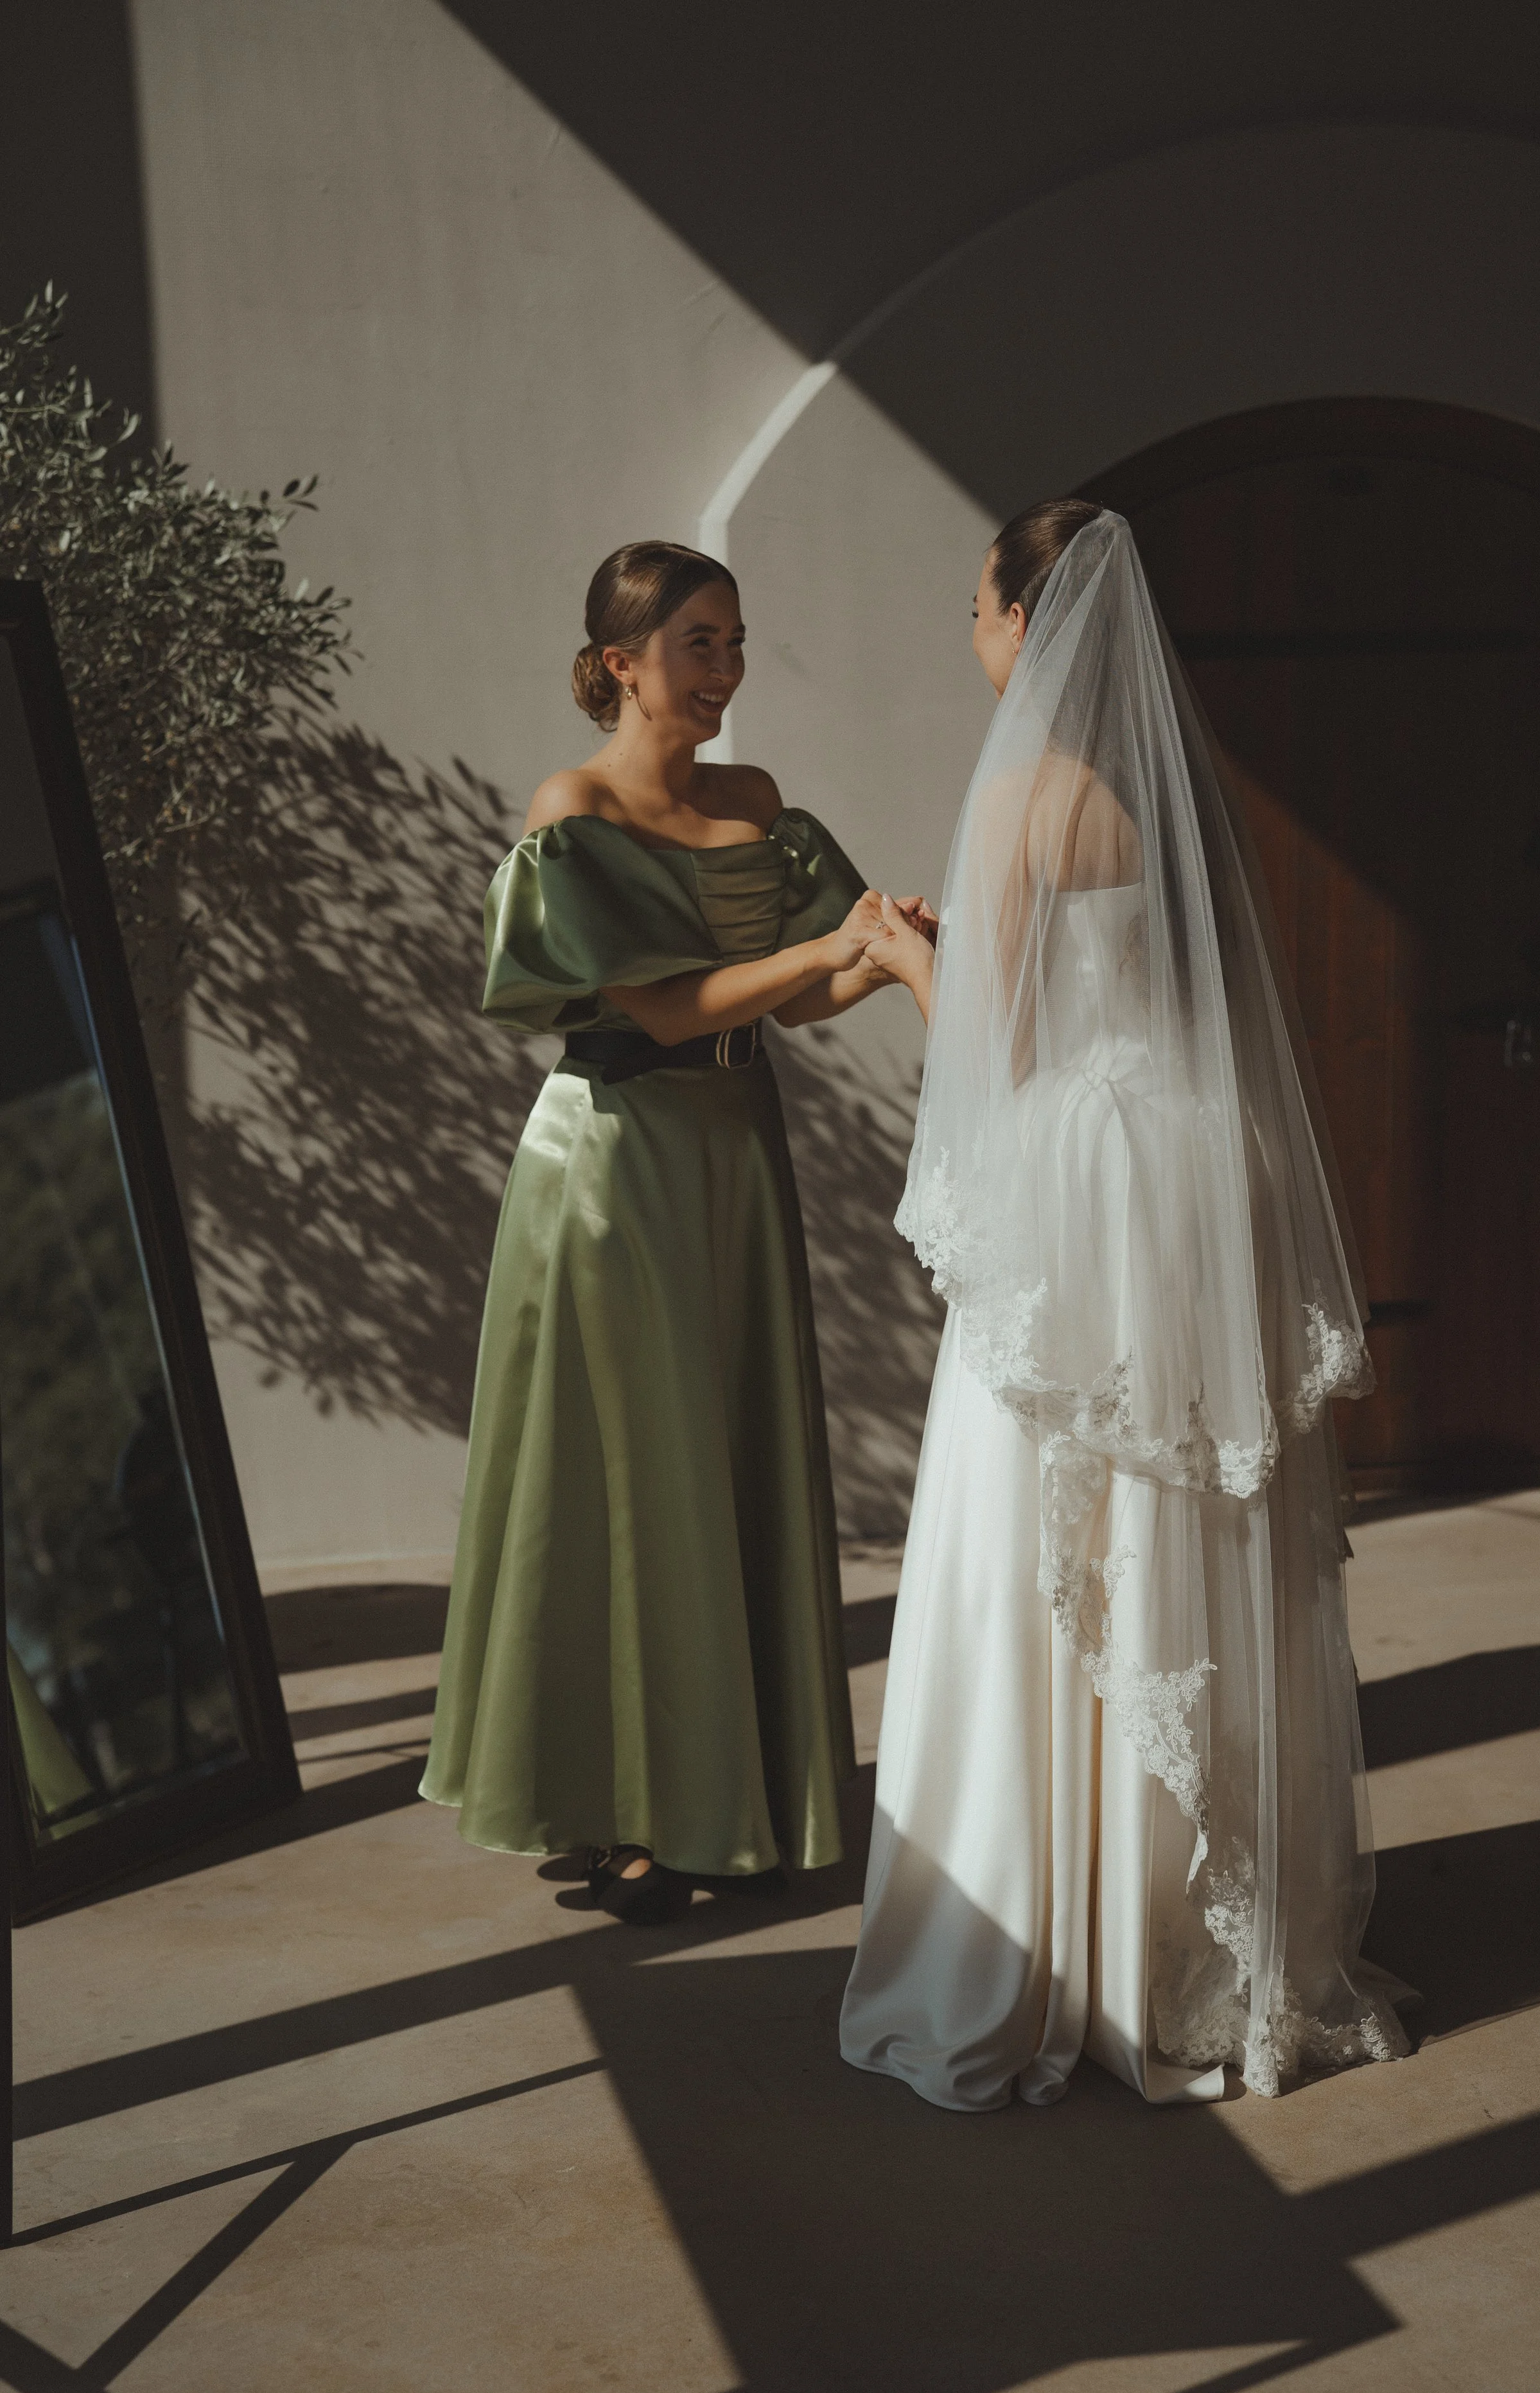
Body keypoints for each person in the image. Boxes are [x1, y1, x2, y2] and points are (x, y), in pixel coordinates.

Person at [839, 500, 1412, 2104]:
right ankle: (1203, 1916)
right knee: (1179, 1519)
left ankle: (1053, 1930)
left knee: (1048, 1518)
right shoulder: (1155, 789)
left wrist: (900, 961)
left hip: (1080, 1187)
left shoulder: (1022, 787)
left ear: (1029, 623)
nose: (970, 635)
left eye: (974, 605)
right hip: (1180, 1168)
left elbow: (999, 1061)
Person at [422, 540, 925, 1924]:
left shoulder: (762, 806)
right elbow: (661, 1008)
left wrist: (875, 957)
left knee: (719, 1464)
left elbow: (793, 1002)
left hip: (734, 1155)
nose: (724, 671)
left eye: (735, 641)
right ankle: (629, 1807)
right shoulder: (570, 811)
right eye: (696, 644)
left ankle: (699, 1802)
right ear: (616, 663)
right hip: (611, 1169)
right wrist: (824, 954)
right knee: (629, 1482)